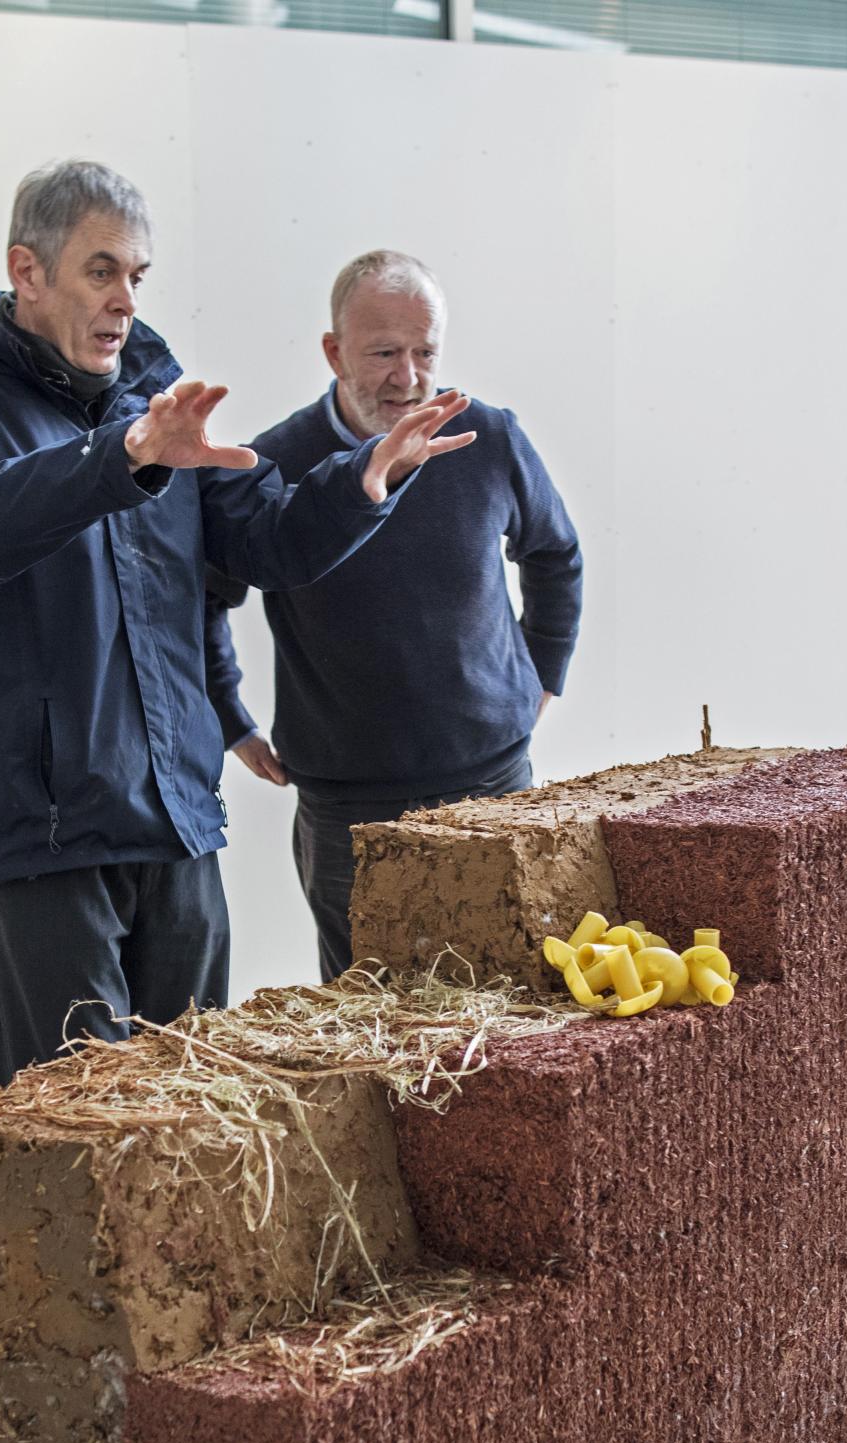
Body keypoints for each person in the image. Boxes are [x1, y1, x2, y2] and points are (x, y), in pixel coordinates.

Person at [0, 164, 475, 1089]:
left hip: (177, 819)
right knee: (71, 1124)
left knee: (191, 1123)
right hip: (44, 833)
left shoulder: (160, 405)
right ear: (26, 272)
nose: (124, 301)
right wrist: (125, 455)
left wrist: (364, 481)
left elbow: (268, 540)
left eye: (139, 278)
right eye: (101, 271)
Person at [209, 249, 583, 979]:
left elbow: (554, 552)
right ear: (333, 351)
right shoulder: (274, 463)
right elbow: (205, 599)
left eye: (425, 352)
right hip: (347, 801)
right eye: (383, 352)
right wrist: (231, 715)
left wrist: (544, 671)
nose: (408, 378)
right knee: (366, 1011)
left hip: (491, 774)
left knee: (512, 992)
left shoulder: (490, 437)